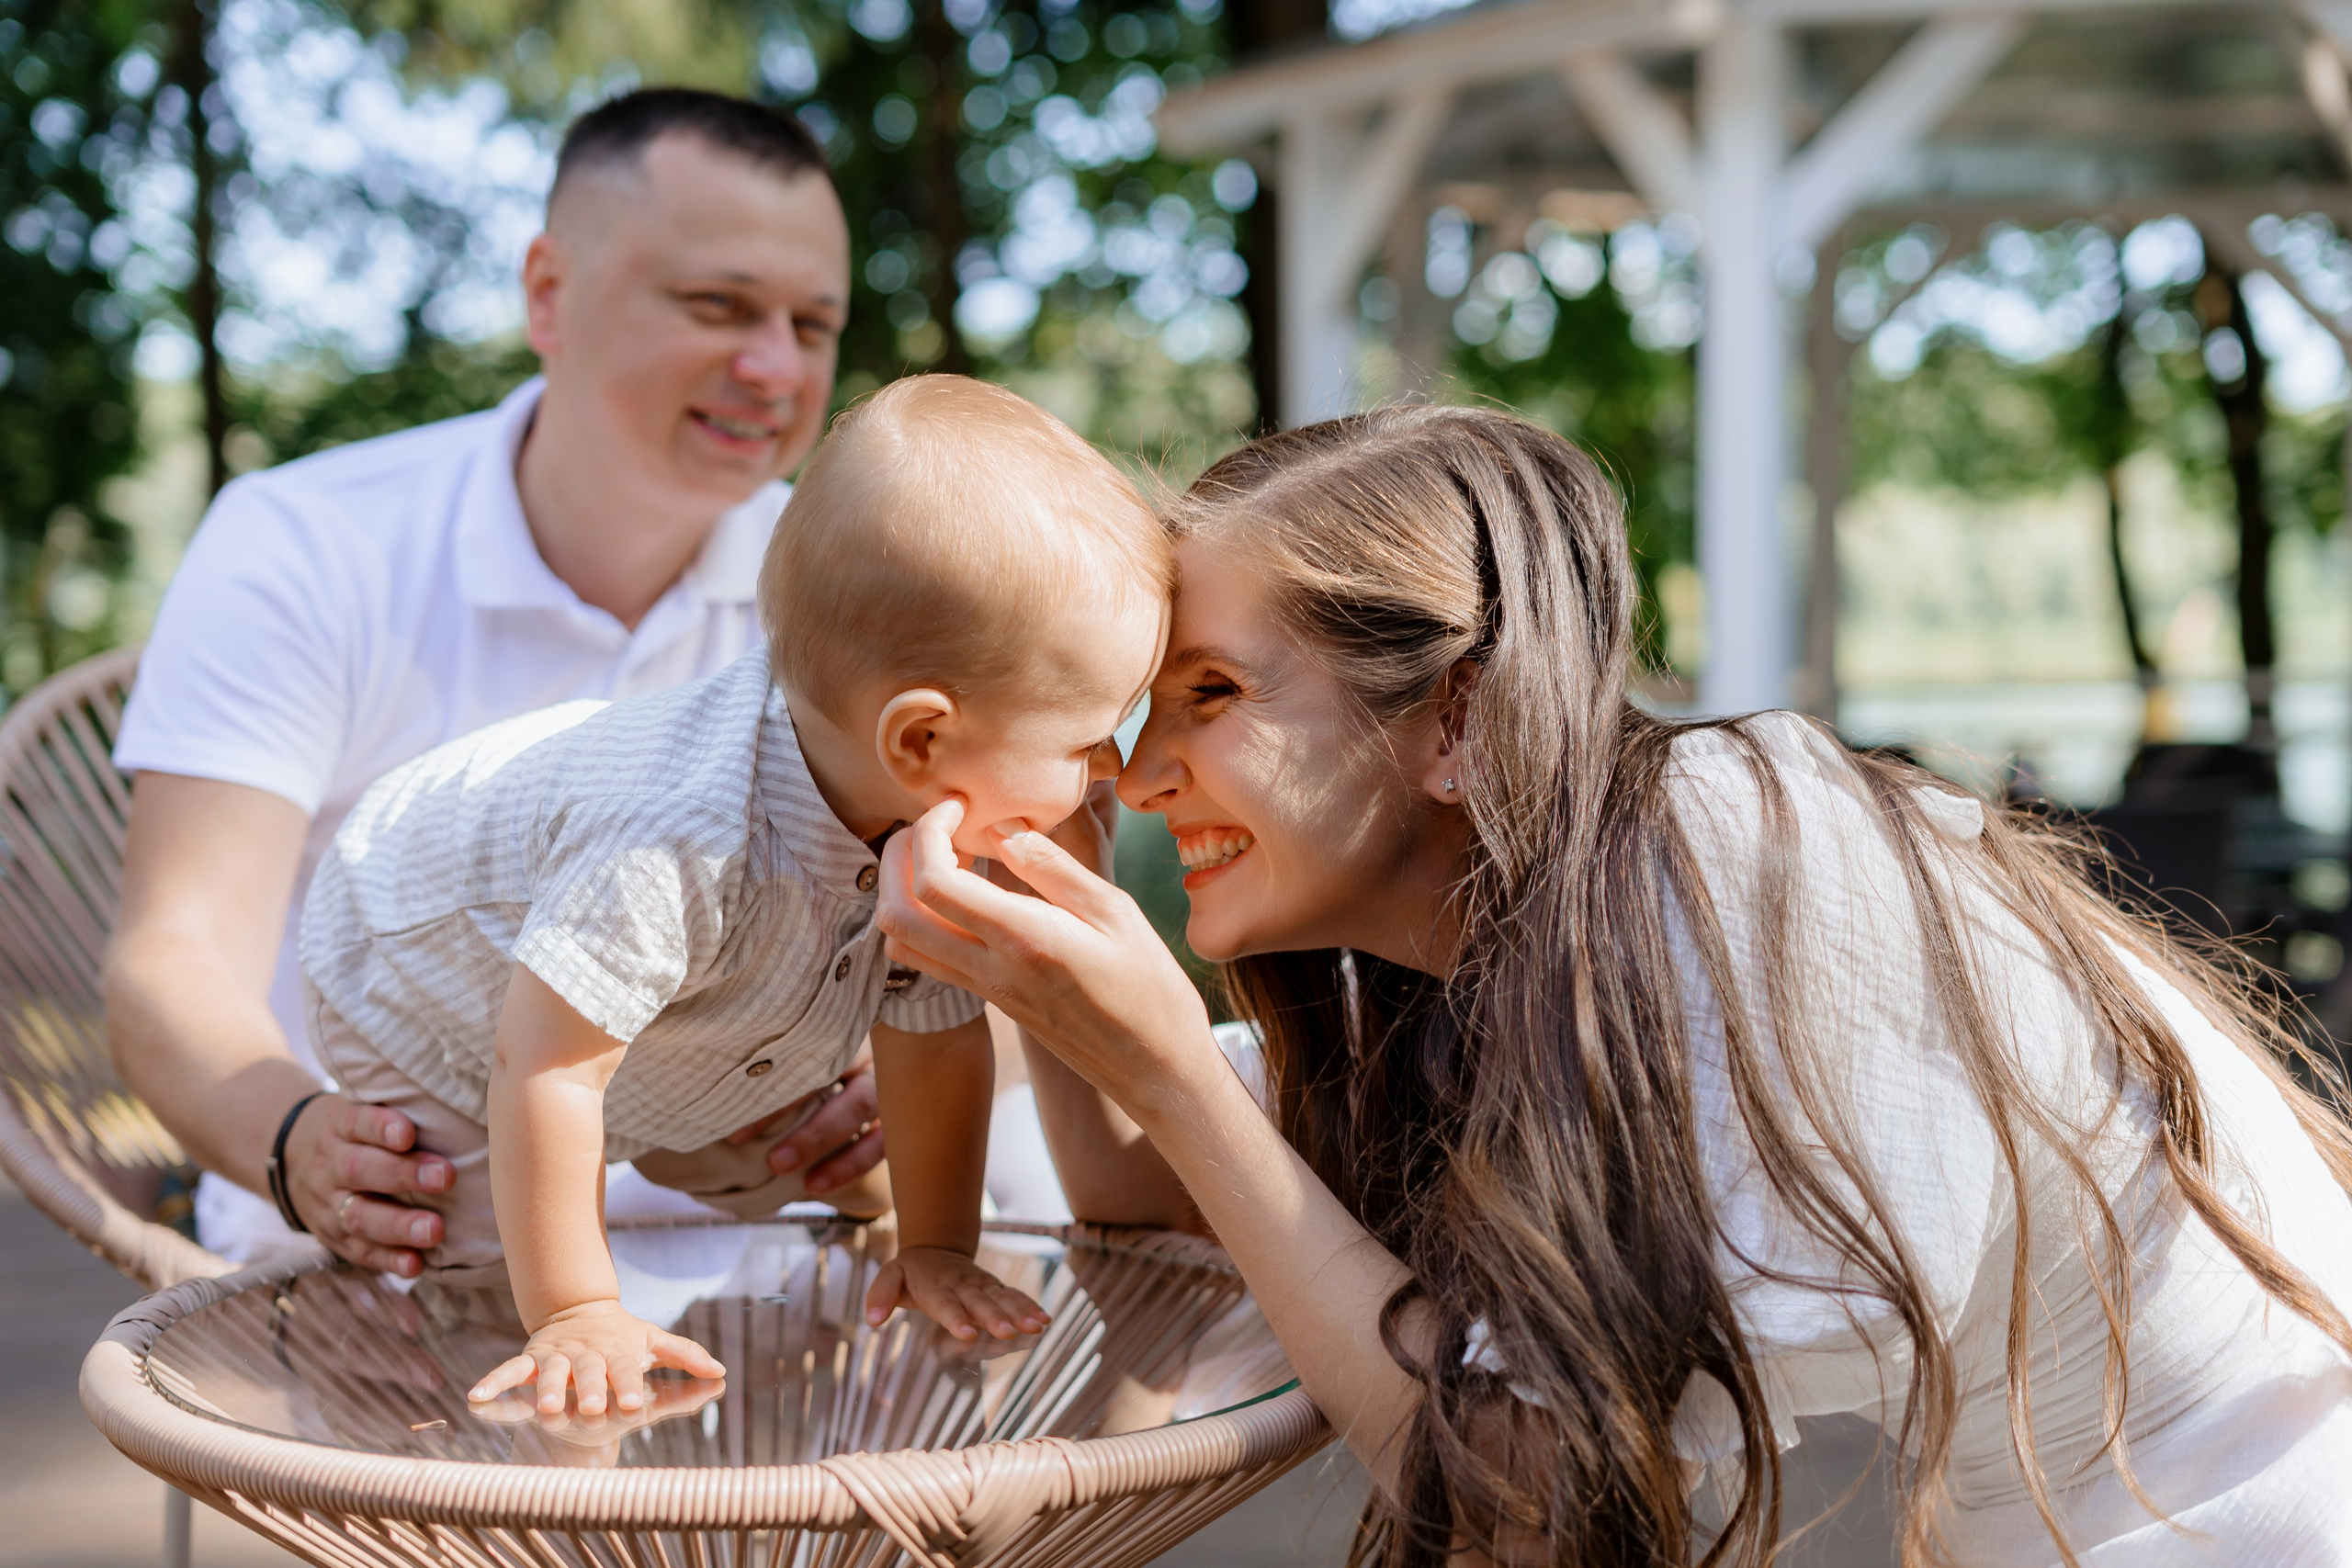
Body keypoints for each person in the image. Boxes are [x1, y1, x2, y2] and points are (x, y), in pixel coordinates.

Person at [874, 406, 2352, 1564]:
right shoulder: (1489, 963)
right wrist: (1038, 959)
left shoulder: (1742, 845)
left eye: (1213, 693)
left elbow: (1534, 1510)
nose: (1134, 775)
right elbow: (1173, 1219)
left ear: (1453, 713)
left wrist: (1174, 1073)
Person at [101, 87, 883, 1279]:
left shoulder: (846, 586)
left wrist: (871, 1082)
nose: (775, 366)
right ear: (548, 293)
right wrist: (298, 1140)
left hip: (760, 1254)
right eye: (718, 305)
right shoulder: (304, 542)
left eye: (813, 325)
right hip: (393, 1255)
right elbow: (175, 958)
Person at [296, 377, 1163, 1415]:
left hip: (675, 1017)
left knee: (785, 1147)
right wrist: (575, 1308)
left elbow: (934, 1036)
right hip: (415, 982)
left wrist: (937, 1245)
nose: (1115, 765)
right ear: (921, 739)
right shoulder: (677, 844)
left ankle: (809, 1246)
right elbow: (547, 1070)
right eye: (1083, 738)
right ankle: (459, 1408)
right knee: (474, 1242)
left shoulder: (934, 814)